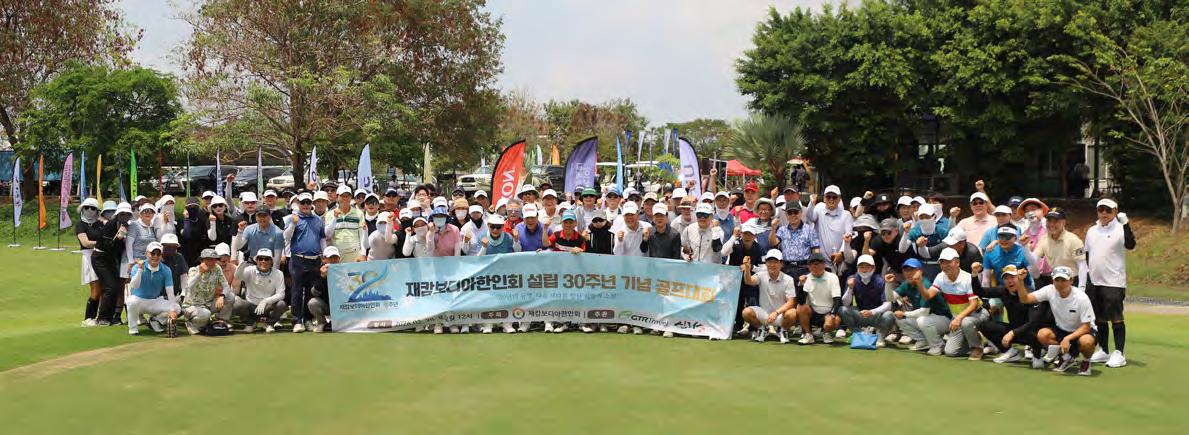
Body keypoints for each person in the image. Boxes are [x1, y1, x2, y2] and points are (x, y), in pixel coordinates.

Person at [1083, 198, 1136, 368]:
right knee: (1099, 318)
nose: (1104, 213)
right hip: (1095, 281)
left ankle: (1119, 353)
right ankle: (1104, 350)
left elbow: (1130, 244)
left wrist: (1126, 224)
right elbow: (1087, 254)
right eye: (1101, 210)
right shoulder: (1092, 230)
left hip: (1114, 281)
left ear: (1115, 211)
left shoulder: (1120, 228)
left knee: (1115, 317)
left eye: (1108, 210)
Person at [1016, 266, 1096, 376]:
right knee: (1043, 335)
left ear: (1071, 281)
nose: (1060, 283)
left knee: (1086, 342)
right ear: (1052, 280)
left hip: (1082, 331)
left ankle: (1086, 361)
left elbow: (1086, 326)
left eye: (1064, 280)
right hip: (1062, 330)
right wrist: (1020, 281)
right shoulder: (1049, 290)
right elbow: (1025, 299)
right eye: (1057, 280)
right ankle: (1068, 356)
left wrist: (1067, 339)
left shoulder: (1081, 298)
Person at [974, 264, 1050, 367]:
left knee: (1034, 336)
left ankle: (1037, 355)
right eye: (1006, 278)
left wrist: (1012, 333)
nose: (1010, 281)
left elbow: (1033, 323)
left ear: (1019, 278)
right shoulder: (1003, 291)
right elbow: (979, 291)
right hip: (1015, 331)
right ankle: (1010, 352)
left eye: (1013, 277)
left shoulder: (1030, 294)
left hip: (1033, 332)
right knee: (984, 325)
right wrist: (974, 275)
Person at [932, 248, 988, 359]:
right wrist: (919, 282)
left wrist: (958, 319)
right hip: (959, 318)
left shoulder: (967, 278)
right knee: (950, 352)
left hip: (977, 315)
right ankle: (976, 338)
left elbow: (973, 305)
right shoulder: (940, 277)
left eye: (948, 261)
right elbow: (928, 295)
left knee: (966, 322)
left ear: (957, 262)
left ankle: (977, 348)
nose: (945, 265)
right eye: (942, 262)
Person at [887, 258, 951, 355]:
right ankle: (923, 341)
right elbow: (890, 298)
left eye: (912, 270)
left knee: (921, 320)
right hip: (928, 318)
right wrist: (888, 284)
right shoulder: (906, 284)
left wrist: (904, 314)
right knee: (899, 318)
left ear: (920, 271)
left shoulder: (925, 284)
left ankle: (938, 345)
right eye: (906, 270)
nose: (909, 273)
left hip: (944, 320)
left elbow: (924, 311)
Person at [283, 192, 326, 333]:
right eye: (303, 203)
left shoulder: (318, 220)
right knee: (296, 291)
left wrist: (324, 255)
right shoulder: (293, 218)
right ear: (299, 204)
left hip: (314, 260)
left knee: (310, 291)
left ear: (311, 204)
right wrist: (293, 224)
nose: (306, 205)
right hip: (298, 259)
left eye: (308, 202)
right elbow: (286, 237)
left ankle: (307, 320)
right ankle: (296, 321)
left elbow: (322, 239)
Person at [740, 249, 798, 343]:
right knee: (746, 312)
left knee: (793, 313)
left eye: (775, 262)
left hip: (780, 315)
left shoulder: (788, 279)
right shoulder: (761, 275)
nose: (772, 265)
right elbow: (748, 281)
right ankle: (762, 329)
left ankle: (783, 331)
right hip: (764, 314)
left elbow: (791, 302)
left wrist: (776, 313)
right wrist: (747, 268)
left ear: (781, 264)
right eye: (769, 262)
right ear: (766, 263)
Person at [125, 242, 180, 336]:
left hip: (154, 301)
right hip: (139, 301)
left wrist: (172, 310)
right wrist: (140, 270)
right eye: (152, 253)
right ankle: (133, 328)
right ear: (147, 254)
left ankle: (155, 320)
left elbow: (170, 292)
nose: (155, 256)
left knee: (177, 308)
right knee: (131, 301)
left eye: (158, 254)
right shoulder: (136, 267)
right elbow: (134, 286)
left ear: (161, 256)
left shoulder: (166, 270)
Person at [93, 202, 134, 325]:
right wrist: (119, 238)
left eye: (127, 214)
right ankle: (102, 317)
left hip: (110, 259)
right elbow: (108, 246)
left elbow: (119, 248)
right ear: (118, 214)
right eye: (122, 214)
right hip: (100, 257)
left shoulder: (125, 225)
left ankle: (110, 317)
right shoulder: (110, 225)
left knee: (115, 287)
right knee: (110, 287)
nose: (125, 216)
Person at [839, 255, 894, 347]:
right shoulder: (852, 279)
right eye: (861, 267)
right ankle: (860, 335)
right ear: (857, 268)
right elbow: (846, 303)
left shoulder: (880, 281)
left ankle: (880, 337)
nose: (864, 270)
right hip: (860, 314)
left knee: (889, 315)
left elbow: (888, 305)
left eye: (867, 267)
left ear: (873, 268)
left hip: (876, 315)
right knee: (843, 309)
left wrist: (871, 312)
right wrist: (850, 288)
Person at [478, 214, 519, 334]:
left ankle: (507, 324)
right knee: (488, 299)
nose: (495, 230)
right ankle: (487, 324)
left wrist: (516, 240)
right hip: (487, 274)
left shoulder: (508, 238)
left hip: (505, 273)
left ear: (502, 227)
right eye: (493, 227)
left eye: (498, 227)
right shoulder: (482, 237)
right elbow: (478, 259)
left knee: (506, 299)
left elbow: (517, 252)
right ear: (488, 226)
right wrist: (484, 247)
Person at [722, 219, 765, 335]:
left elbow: (763, 269)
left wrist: (750, 268)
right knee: (736, 302)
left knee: (752, 301)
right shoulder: (735, 244)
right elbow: (723, 252)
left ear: (755, 236)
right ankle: (737, 324)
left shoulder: (759, 248)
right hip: (734, 280)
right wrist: (733, 236)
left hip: (751, 280)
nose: (747, 237)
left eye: (750, 234)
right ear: (741, 234)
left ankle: (753, 327)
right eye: (745, 233)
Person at [231, 249, 287, 333]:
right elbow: (238, 276)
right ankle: (250, 323)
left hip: (267, 307)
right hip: (250, 306)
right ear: (256, 261)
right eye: (260, 259)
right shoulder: (250, 270)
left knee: (281, 304)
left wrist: (265, 301)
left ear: (271, 261)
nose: (263, 261)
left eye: (266, 259)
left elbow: (281, 294)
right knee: (236, 302)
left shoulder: (278, 273)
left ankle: (269, 324)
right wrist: (243, 262)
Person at [181, 248, 234, 335]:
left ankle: (221, 321)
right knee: (206, 314)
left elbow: (226, 287)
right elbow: (189, 287)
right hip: (192, 306)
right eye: (209, 259)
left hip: (208, 304)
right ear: (202, 260)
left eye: (214, 259)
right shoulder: (194, 270)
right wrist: (200, 273)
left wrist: (222, 296)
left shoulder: (217, 269)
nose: (212, 262)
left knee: (230, 296)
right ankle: (191, 324)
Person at [794, 252, 842, 344]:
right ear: (808, 267)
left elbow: (837, 300)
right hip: (813, 313)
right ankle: (808, 335)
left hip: (828, 313)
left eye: (817, 264)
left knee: (836, 321)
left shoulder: (833, 277)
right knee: (800, 307)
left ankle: (826, 333)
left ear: (823, 264)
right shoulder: (806, 278)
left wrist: (832, 315)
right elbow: (800, 301)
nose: (815, 266)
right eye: (811, 264)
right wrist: (801, 285)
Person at [804, 185, 855, 270]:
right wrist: (811, 203)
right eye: (828, 197)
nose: (831, 199)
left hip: (839, 262)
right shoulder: (819, 208)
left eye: (834, 197)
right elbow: (810, 217)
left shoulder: (846, 215)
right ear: (824, 198)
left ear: (839, 199)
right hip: (821, 262)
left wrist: (841, 253)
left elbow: (847, 236)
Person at [769, 201, 821, 286]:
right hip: (786, 269)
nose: (793, 215)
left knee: (803, 294)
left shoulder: (809, 229)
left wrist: (815, 268)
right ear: (786, 214)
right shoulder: (782, 230)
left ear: (801, 213)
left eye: (796, 212)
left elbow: (816, 250)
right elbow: (773, 243)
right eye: (790, 213)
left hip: (804, 269)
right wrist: (773, 229)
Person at [1032, 208, 1085, 288]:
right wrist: (1025, 247)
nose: (1051, 224)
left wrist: (1081, 287)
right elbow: (1033, 259)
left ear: (1064, 222)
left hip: (1073, 281)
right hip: (1055, 280)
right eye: (1049, 221)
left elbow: (1082, 265)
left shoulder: (1074, 240)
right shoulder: (1043, 239)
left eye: (1055, 221)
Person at [76, 198, 105, 327]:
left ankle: (102, 316)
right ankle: (88, 318)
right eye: (86, 207)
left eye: (92, 208)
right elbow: (85, 243)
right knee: (96, 289)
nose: (89, 210)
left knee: (104, 289)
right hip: (89, 257)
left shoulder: (100, 224)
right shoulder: (80, 224)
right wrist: (102, 243)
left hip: (103, 256)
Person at [324, 185, 367, 263]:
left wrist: (363, 254)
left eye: (347, 196)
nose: (345, 198)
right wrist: (335, 218)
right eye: (342, 196)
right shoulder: (330, 214)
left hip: (355, 254)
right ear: (337, 197)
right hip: (336, 256)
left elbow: (362, 235)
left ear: (351, 197)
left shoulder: (359, 213)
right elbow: (327, 235)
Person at [307, 246, 341, 333]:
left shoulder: (345, 270)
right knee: (312, 303)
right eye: (330, 258)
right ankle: (321, 323)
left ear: (339, 259)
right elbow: (314, 293)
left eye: (335, 257)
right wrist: (322, 277)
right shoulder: (317, 271)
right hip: (326, 305)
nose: (333, 260)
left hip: (343, 305)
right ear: (324, 259)